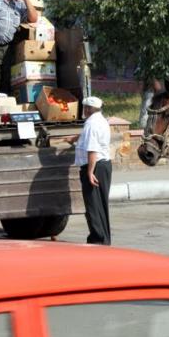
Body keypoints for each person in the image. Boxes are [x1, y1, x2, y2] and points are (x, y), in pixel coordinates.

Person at [69, 96, 112, 245]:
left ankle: (98, 239)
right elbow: (90, 138)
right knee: (100, 205)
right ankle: (103, 239)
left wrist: (90, 172)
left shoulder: (91, 124)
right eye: (85, 107)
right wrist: (75, 139)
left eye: (87, 108)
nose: (85, 110)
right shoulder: (100, 120)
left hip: (95, 166)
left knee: (93, 206)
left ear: (91, 109)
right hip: (103, 165)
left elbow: (92, 149)